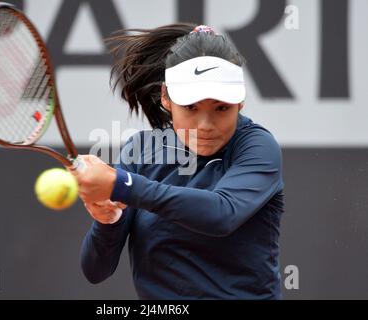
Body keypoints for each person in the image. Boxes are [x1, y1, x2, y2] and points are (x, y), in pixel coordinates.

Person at [73, 23, 285, 299]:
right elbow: (95, 270)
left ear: (240, 102)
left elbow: (221, 214)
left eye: (221, 108)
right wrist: (107, 220)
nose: (206, 124)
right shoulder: (140, 151)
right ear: (166, 97)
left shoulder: (257, 146)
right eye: (191, 107)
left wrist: (123, 184)